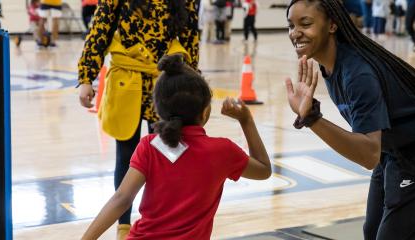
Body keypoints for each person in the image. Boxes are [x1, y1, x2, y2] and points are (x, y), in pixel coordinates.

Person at [286, 0, 415, 238]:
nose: (295, 32)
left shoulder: (357, 73)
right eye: (291, 25)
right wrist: (311, 115)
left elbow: (367, 155)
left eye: (305, 23)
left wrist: (312, 119)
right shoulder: (330, 65)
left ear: (332, 25)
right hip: (396, 142)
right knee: (373, 229)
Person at [81, 55, 272, 240]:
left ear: (159, 111)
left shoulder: (149, 146)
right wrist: (246, 121)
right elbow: (264, 170)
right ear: (205, 111)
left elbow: (122, 198)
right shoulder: (223, 150)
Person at [77, 0, 201, 237]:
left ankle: (160, 220)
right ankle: (123, 226)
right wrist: (86, 77)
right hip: (126, 78)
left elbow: (190, 36)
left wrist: (192, 81)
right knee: (127, 154)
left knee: (166, 156)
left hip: (166, 81)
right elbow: (100, 29)